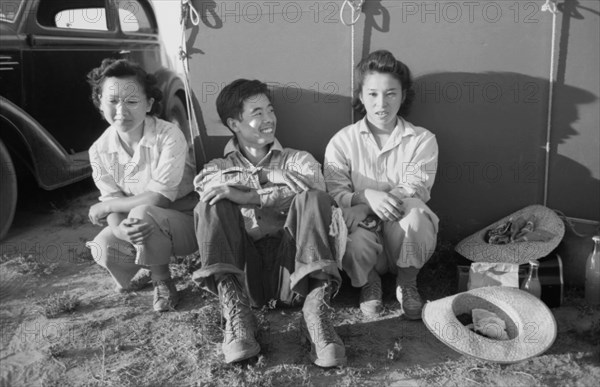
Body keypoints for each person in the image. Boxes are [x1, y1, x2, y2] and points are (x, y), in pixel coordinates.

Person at [192, 79, 346, 367]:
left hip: (294, 271)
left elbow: (314, 185)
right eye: (257, 113)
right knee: (213, 203)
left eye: (270, 110)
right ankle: (237, 318)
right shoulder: (217, 165)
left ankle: (315, 315)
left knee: (314, 199)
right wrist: (266, 180)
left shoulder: (297, 158)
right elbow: (207, 186)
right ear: (234, 123)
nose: (269, 119)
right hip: (245, 274)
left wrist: (251, 191)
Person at [324, 50, 439, 320]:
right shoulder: (342, 142)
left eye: (391, 94)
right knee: (343, 222)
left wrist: (367, 206)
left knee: (416, 211)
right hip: (364, 237)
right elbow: (335, 190)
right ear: (361, 97)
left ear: (403, 95)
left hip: (400, 235)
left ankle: (407, 282)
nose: (382, 104)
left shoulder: (420, 140)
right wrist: (365, 196)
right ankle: (368, 281)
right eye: (373, 94)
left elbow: (416, 186)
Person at [86, 58, 198, 312]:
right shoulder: (99, 150)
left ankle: (163, 281)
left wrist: (110, 207)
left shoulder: (168, 135)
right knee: (103, 247)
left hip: (185, 222)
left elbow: (159, 199)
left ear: (148, 104)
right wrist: (118, 228)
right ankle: (143, 267)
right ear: (100, 104)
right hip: (143, 224)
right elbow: (111, 203)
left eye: (132, 101)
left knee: (142, 212)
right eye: (112, 101)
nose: (121, 111)